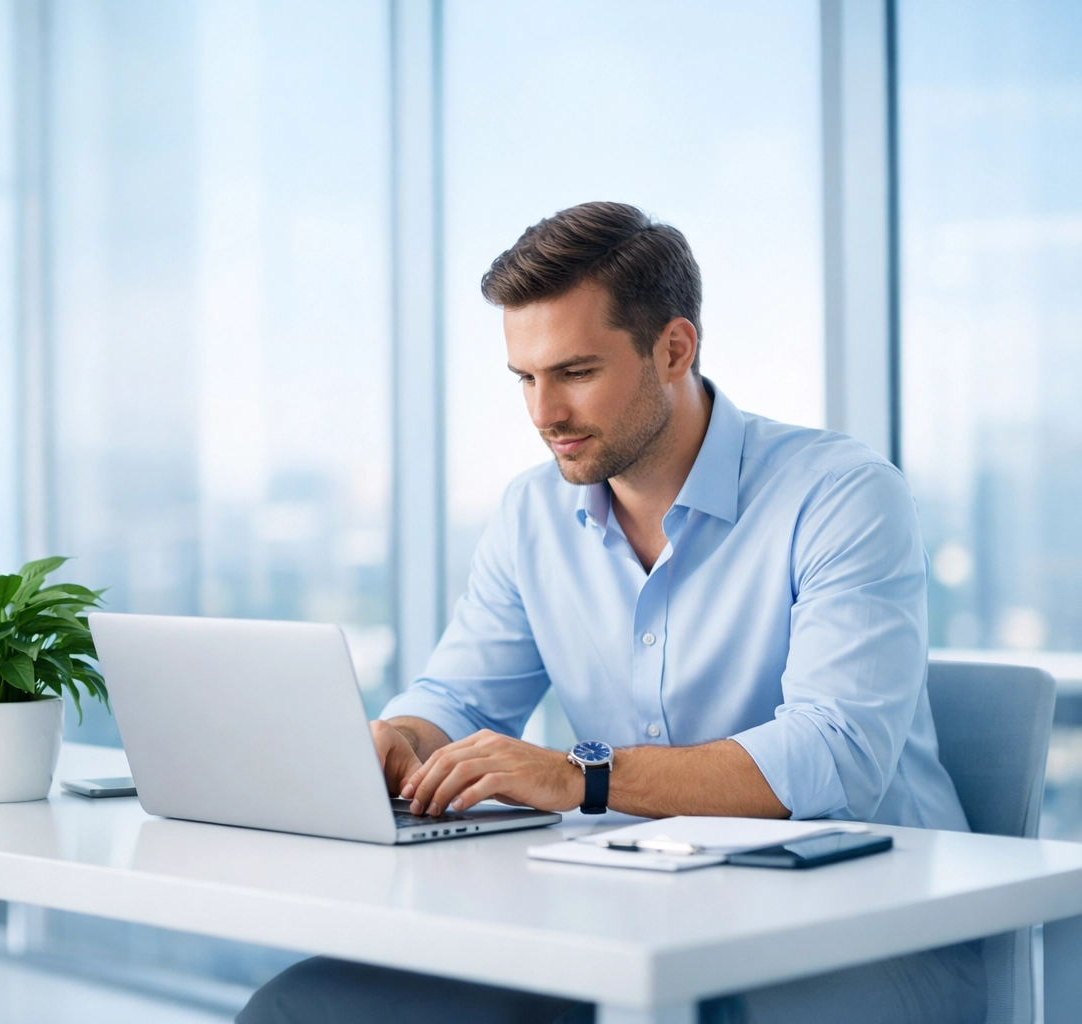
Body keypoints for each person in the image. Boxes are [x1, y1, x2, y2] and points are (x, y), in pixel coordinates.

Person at [239, 202, 985, 1024]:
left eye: (576, 372)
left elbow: (837, 753)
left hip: (860, 936)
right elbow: (459, 697)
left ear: (673, 348)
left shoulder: (840, 494)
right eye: (525, 378)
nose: (542, 413)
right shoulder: (531, 514)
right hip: (626, 918)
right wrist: (407, 737)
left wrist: (580, 776)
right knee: (302, 1007)